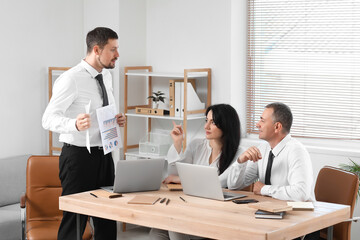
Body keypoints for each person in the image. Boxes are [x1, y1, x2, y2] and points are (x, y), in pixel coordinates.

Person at [42, 27, 125, 240]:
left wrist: (116, 120)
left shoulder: (106, 76)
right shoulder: (71, 79)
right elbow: (48, 119)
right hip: (78, 158)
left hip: (105, 155)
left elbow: (102, 112)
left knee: (107, 217)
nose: (117, 54)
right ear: (96, 50)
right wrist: (74, 124)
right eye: (113, 49)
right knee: (75, 220)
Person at [149, 103, 242, 240]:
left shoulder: (239, 154)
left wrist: (182, 179)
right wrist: (177, 143)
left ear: (226, 125)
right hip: (190, 206)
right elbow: (173, 174)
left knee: (175, 225)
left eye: (213, 122)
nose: (206, 127)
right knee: (156, 231)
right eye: (206, 121)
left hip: (214, 214)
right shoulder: (196, 145)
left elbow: (220, 181)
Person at [227, 102, 318, 240]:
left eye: (262, 121)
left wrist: (264, 189)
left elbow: (301, 193)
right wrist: (241, 161)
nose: (257, 124)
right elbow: (234, 186)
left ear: (277, 127)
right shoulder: (263, 148)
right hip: (269, 217)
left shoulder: (296, 151)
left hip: (298, 223)